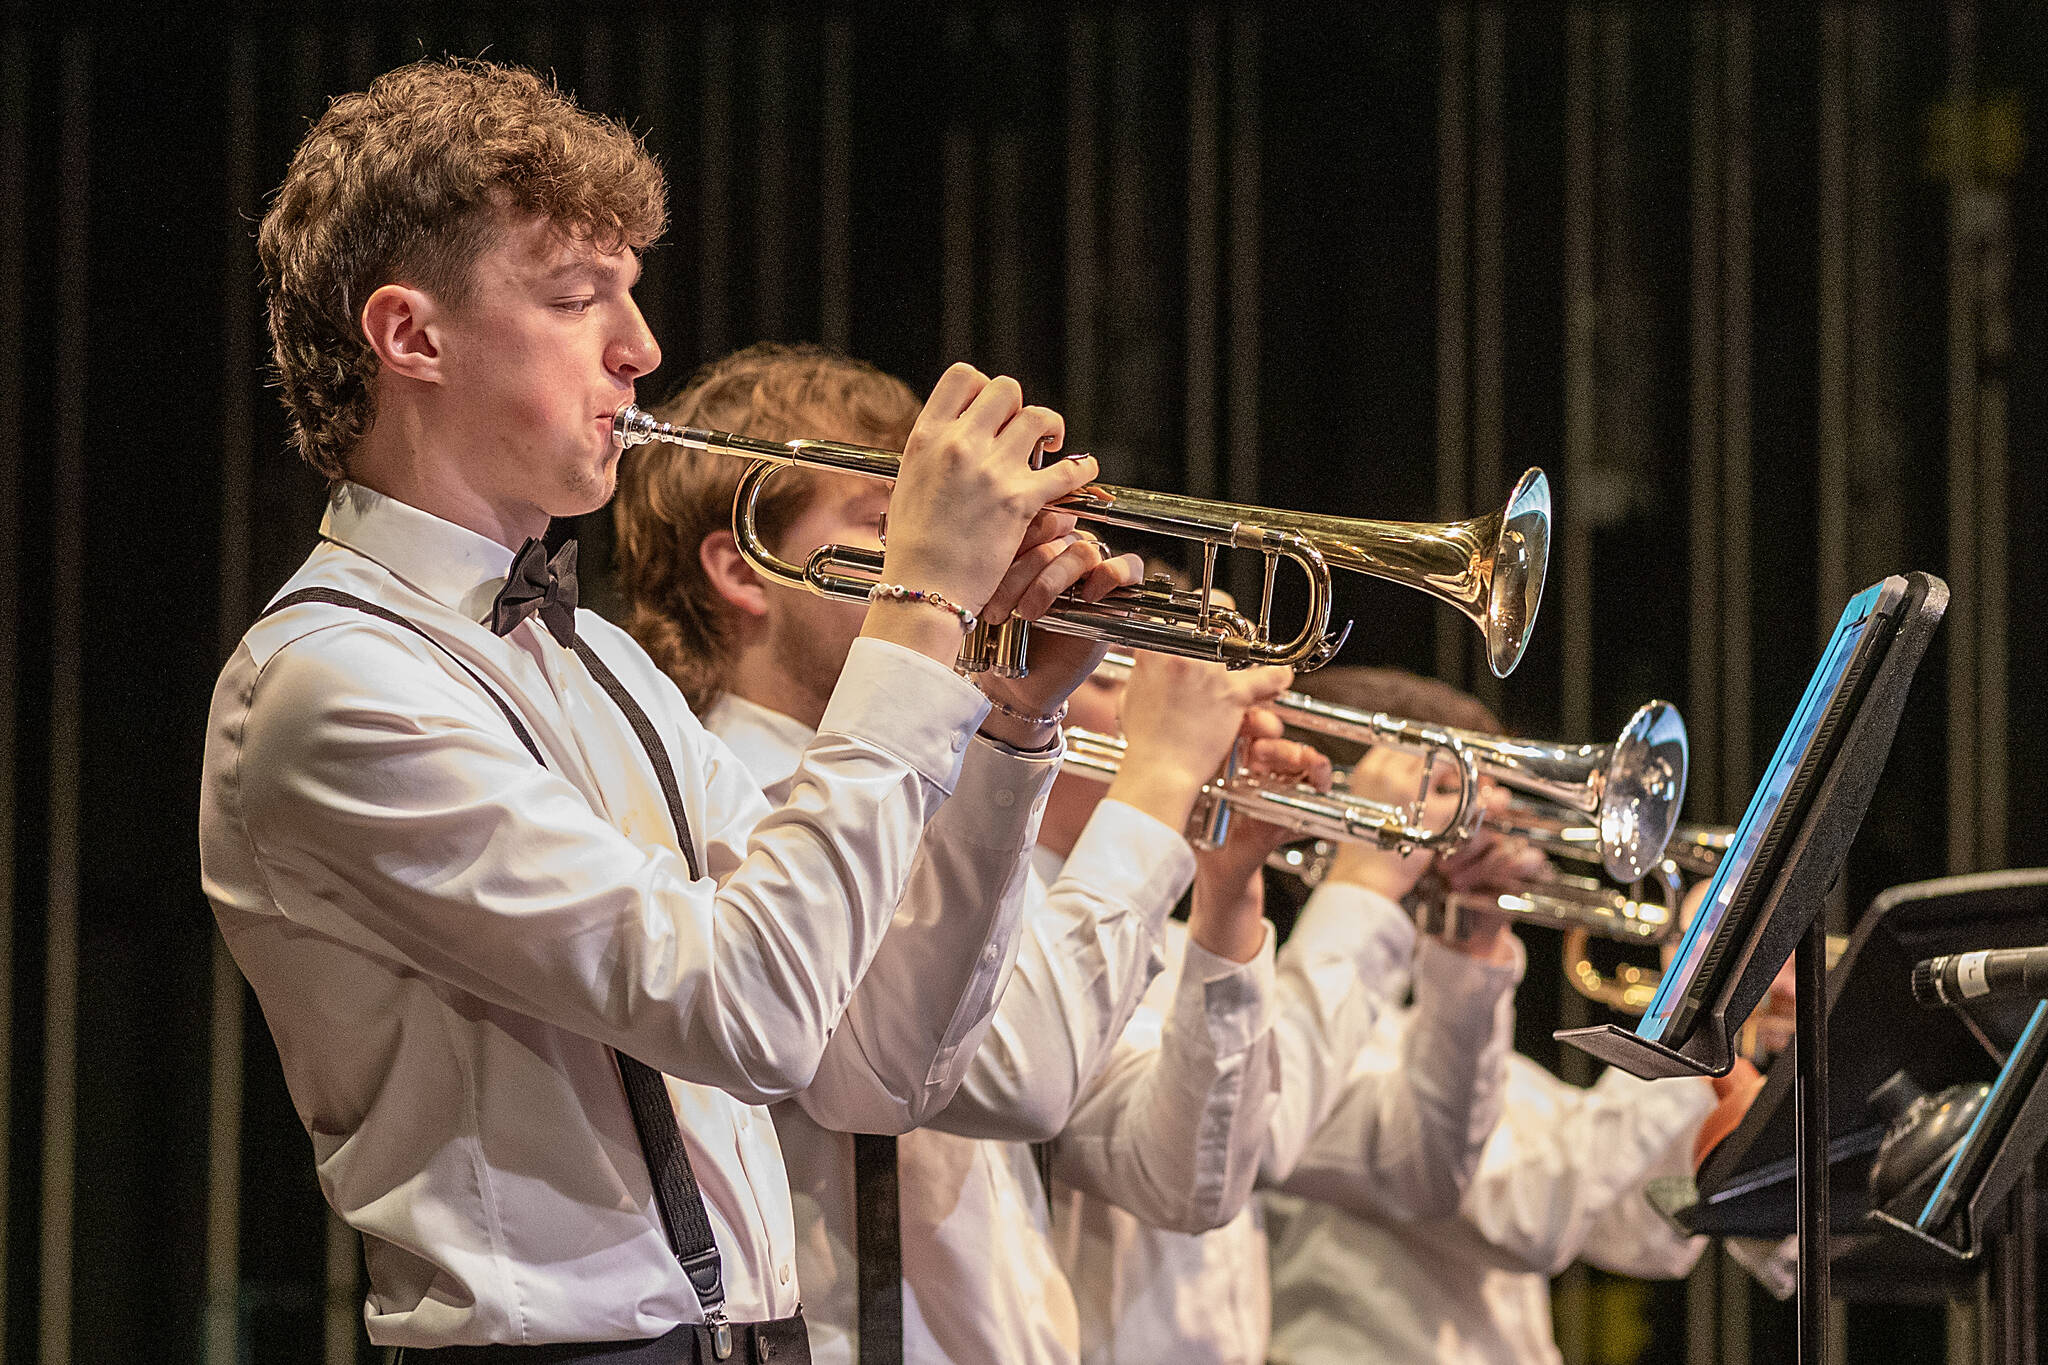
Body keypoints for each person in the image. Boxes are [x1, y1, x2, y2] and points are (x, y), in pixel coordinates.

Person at [200, 59, 1142, 1359]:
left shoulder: (602, 662)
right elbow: (744, 1008)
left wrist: (1011, 731)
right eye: (580, 297)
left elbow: (871, 1065)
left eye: (630, 295)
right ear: (411, 336)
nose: (641, 347)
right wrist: (921, 604)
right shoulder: (332, 686)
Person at [611, 342, 1321, 1365]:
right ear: (743, 569)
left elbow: (1183, 1178)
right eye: (890, 534)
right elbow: (1017, 1075)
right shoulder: (722, 798)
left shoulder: (957, 795)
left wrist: (1223, 889)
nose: (952, 562)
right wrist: (1155, 785)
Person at [1049, 667, 1531, 1365]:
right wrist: (1363, 883)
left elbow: (1418, 1165)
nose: (1166, 705)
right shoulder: (1034, 939)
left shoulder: (1195, 951)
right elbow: (1218, 1162)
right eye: (1106, 675)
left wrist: (1471, 947)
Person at [1260, 668, 1740, 1365]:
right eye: (1458, 792)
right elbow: (1532, 1212)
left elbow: (1639, 1226)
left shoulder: (1458, 1010)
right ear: (1353, 810)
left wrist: (1722, 1046)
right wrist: (1689, 998)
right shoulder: (1301, 1027)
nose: (1496, 819)